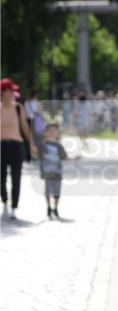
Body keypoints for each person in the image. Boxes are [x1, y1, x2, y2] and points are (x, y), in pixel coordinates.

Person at [1, 78, 37, 220]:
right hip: (1, 146)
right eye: (10, 90)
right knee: (1, 177)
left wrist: (31, 144)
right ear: (3, 92)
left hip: (16, 146)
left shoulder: (18, 108)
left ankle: (14, 207)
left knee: (16, 178)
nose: (12, 93)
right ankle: (4, 201)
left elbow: (25, 127)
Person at [39, 123, 68, 219]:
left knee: (57, 192)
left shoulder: (59, 146)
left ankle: (55, 208)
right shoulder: (42, 145)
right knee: (47, 190)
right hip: (46, 172)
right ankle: (48, 206)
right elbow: (37, 155)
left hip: (57, 172)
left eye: (54, 131)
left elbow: (64, 157)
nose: (52, 133)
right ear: (45, 133)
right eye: (50, 131)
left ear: (57, 133)